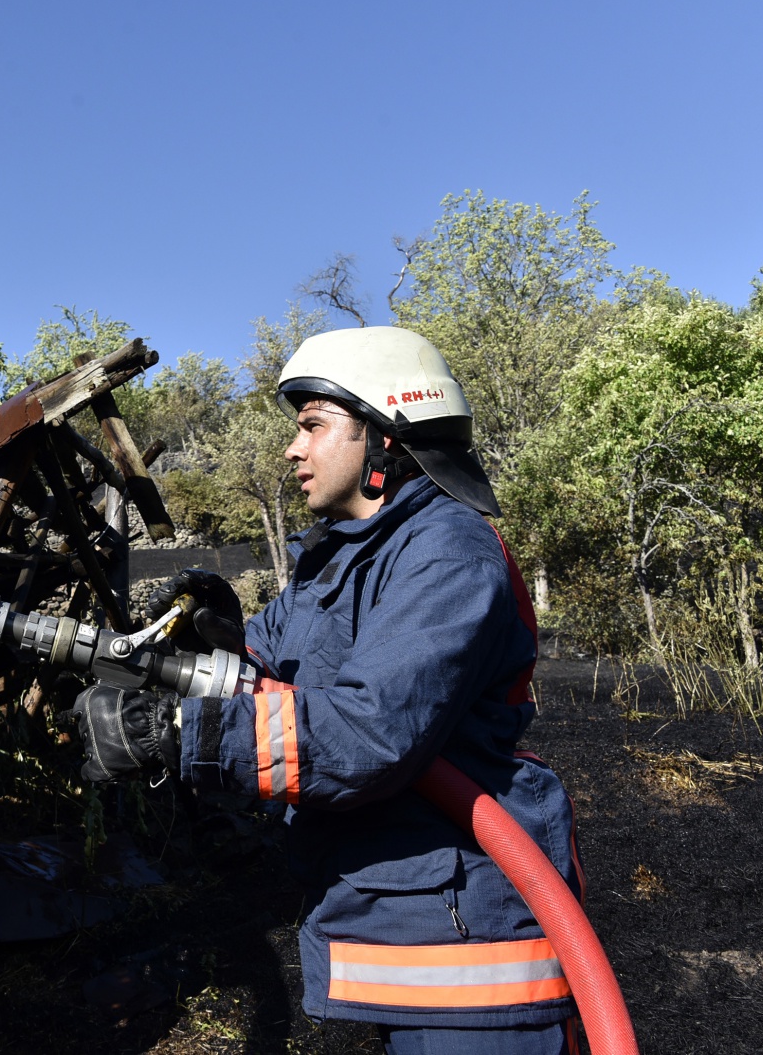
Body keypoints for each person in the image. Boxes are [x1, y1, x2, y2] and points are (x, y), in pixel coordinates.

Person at [74, 326, 583, 1054]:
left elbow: (364, 732)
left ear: (383, 436)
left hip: (472, 962)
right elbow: (270, 670)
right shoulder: (340, 559)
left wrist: (176, 733)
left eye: (314, 425)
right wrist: (216, 635)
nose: (292, 448)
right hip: (411, 923)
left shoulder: (448, 549)